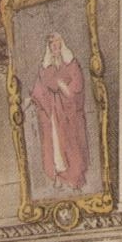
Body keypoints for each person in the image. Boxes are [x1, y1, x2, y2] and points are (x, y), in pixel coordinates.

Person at [29, 33, 90, 191]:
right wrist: (32, 98)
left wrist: (65, 87)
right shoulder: (46, 67)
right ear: (49, 48)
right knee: (55, 143)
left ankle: (74, 177)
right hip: (53, 113)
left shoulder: (71, 63)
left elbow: (77, 84)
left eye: (57, 45)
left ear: (61, 45)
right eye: (52, 46)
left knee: (71, 143)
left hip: (68, 112)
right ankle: (58, 176)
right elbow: (40, 87)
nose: (55, 49)